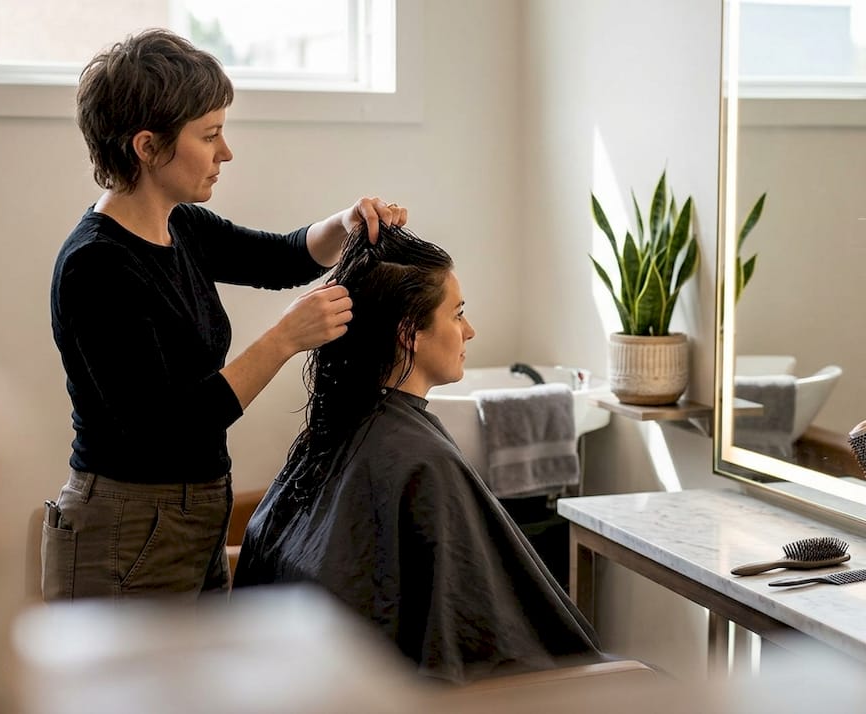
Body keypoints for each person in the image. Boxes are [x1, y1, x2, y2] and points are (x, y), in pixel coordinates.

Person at [44, 28, 408, 601]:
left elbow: (280, 256)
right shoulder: (97, 266)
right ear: (147, 146)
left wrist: (345, 222)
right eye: (210, 135)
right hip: (127, 530)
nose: (226, 152)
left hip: (194, 515)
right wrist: (285, 338)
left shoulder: (178, 224)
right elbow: (167, 426)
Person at [232, 225, 606, 683]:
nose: (470, 331)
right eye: (458, 315)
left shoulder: (339, 428)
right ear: (410, 333)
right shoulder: (420, 460)